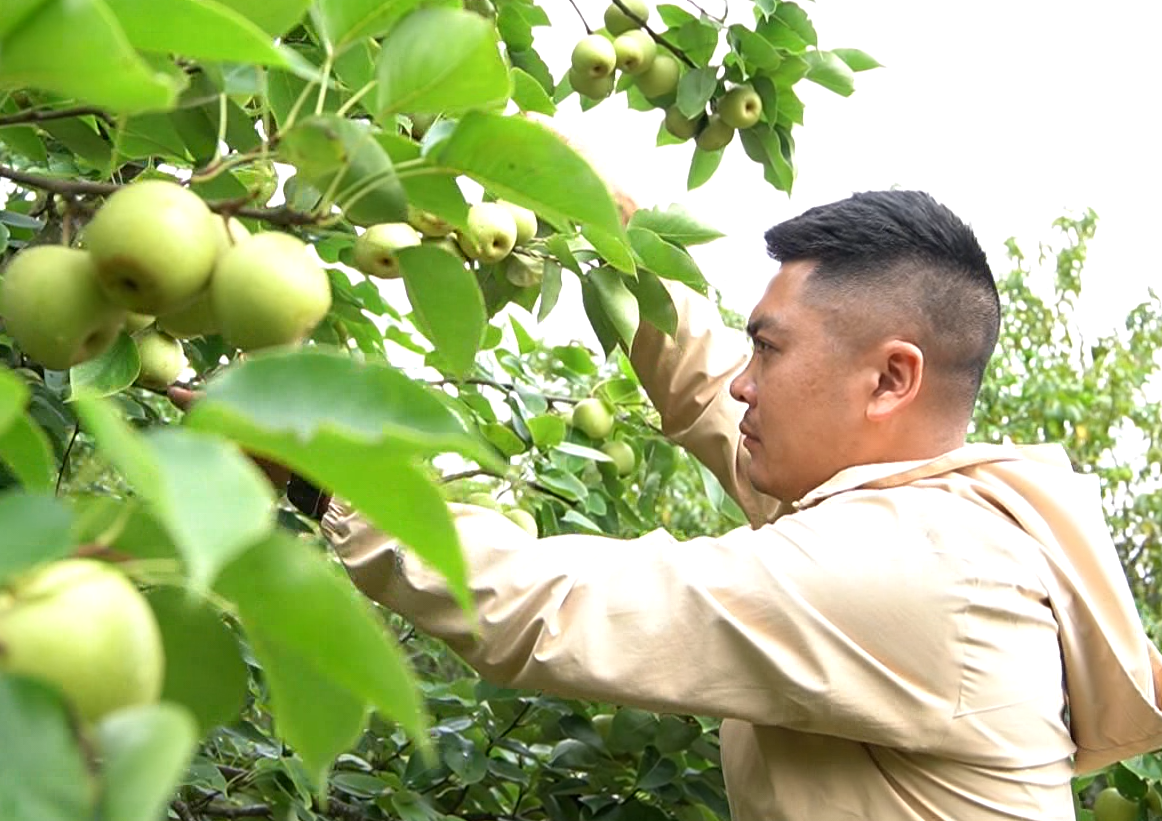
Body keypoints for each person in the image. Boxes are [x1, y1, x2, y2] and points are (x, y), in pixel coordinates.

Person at [310, 188, 1162, 821]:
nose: (748, 383)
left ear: (891, 378)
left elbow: (552, 606)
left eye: (771, 349)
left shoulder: (920, 568)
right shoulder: (922, 510)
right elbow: (715, 391)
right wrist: (612, 243)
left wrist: (330, 475)